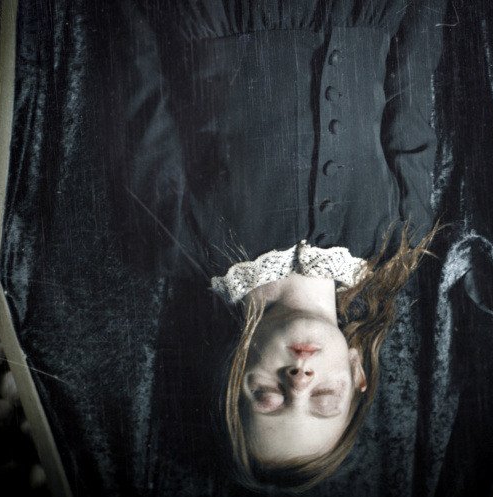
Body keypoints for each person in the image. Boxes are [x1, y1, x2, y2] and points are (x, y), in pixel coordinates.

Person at [117, 0, 450, 491]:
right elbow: (414, 79)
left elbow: (137, 64)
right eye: (324, 400)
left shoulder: (175, 240)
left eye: (267, 398)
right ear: (357, 374)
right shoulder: (400, 236)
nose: (299, 381)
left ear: (232, 375)